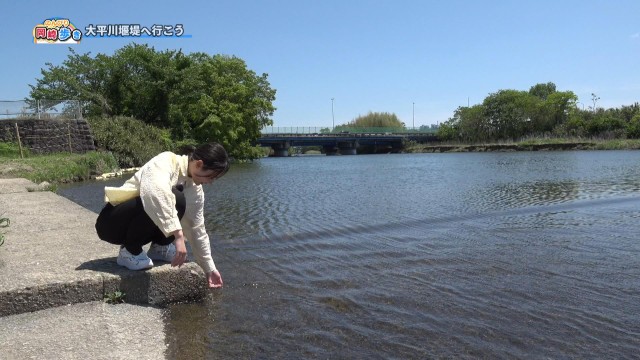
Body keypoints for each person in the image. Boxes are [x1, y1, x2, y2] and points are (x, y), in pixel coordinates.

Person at [95, 142, 229, 289]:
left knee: (180, 202)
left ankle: (160, 246)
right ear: (199, 164)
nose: (210, 182)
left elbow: (196, 228)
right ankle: (129, 251)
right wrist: (178, 236)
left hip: (136, 224)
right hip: (111, 223)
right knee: (174, 197)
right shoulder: (166, 161)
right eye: (210, 177)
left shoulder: (195, 188)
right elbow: (155, 193)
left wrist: (209, 269)